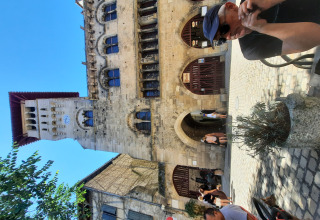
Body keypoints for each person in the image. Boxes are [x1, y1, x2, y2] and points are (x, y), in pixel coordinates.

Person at [203, 0, 320, 60]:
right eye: (222, 39)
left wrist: (268, 2)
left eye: (224, 29)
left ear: (231, 6)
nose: (228, 36)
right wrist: (264, 28)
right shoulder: (250, 49)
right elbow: (316, 36)